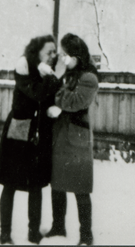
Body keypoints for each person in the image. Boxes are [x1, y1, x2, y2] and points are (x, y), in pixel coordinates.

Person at [0, 35, 63, 245]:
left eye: (54, 52)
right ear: (36, 51)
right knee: (10, 184)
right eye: (48, 52)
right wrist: (53, 76)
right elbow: (38, 94)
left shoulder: (48, 73)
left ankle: (33, 232)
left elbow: (51, 98)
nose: (53, 56)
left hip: (39, 134)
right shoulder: (24, 68)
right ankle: (5, 233)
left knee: (36, 185)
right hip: (19, 133)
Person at [45, 33, 99, 246]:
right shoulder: (66, 74)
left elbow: (75, 101)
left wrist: (59, 101)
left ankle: (86, 234)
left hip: (76, 139)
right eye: (62, 54)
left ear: (77, 56)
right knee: (57, 184)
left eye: (66, 55)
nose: (63, 59)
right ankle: (58, 227)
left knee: (80, 187)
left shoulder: (89, 77)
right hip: (59, 135)